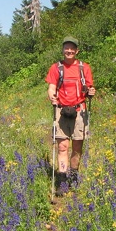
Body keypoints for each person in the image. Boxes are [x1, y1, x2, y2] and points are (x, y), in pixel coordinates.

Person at [46, 36, 96, 191]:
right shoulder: (56, 68)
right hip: (61, 110)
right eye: (66, 48)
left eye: (72, 48)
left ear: (76, 51)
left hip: (80, 111)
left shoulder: (84, 68)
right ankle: (62, 182)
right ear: (63, 50)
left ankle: (73, 178)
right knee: (62, 147)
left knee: (77, 147)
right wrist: (52, 97)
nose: (69, 51)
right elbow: (52, 87)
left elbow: (89, 87)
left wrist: (91, 91)